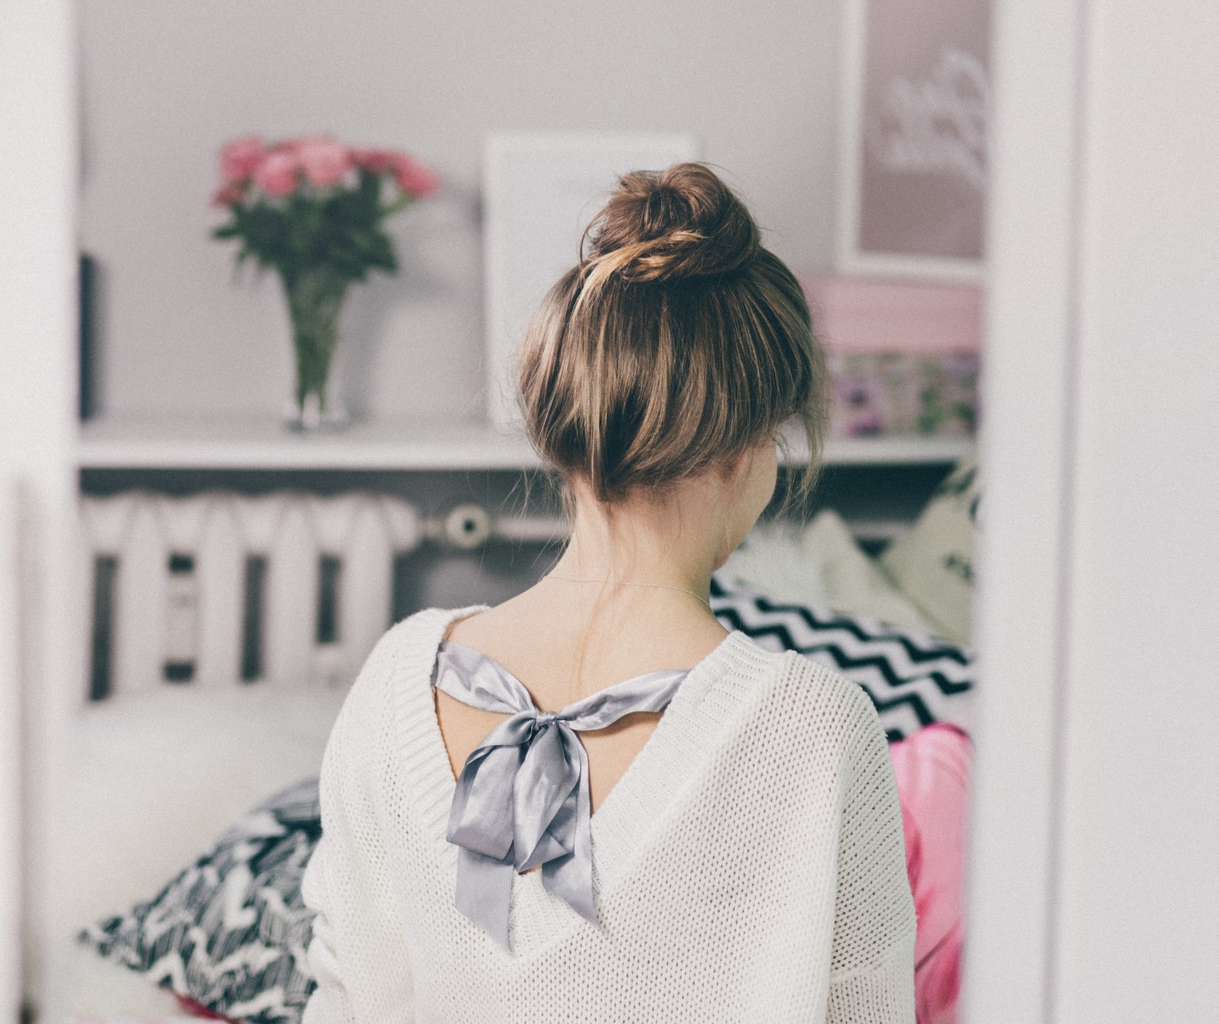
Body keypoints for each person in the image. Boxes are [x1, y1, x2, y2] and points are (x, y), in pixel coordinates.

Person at [299, 163, 915, 1022]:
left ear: (565, 427)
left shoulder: (397, 678)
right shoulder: (814, 726)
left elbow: (345, 997)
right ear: (750, 448)